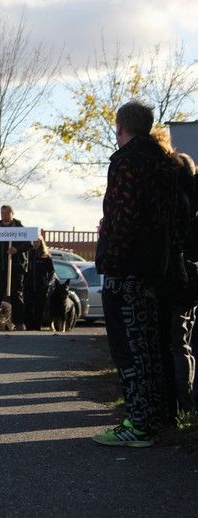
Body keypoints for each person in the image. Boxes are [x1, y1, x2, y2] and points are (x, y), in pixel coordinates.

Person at [92, 100, 178, 447]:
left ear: (120, 127)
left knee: (129, 348)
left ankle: (138, 424)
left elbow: (125, 218)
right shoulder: (166, 163)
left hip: (128, 271)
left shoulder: (128, 162)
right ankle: (154, 419)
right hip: (158, 268)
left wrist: (110, 258)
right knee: (150, 346)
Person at [150, 127, 198, 418]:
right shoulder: (191, 202)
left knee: (175, 342)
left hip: (177, 274)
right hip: (190, 276)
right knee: (183, 341)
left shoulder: (174, 206)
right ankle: (185, 404)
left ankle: (181, 406)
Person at [0, 205, 31, 331]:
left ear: (12, 213)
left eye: (6, 212)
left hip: (15, 267)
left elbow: (29, 244)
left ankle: (19, 322)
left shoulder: (20, 228)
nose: (3, 215)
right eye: (1, 212)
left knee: (16, 294)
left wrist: (17, 249)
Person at [24, 233, 55, 331]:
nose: (35, 243)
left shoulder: (46, 257)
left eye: (37, 241)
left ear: (41, 242)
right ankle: (29, 327)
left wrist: (48, 283)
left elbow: (52, 272)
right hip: (28, 286)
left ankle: (37, 327)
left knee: (39, 308)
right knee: (28, 307)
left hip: (41, 287)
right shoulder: (28, 254)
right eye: (34, 242)